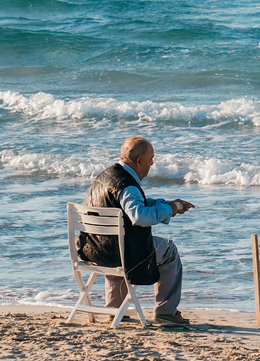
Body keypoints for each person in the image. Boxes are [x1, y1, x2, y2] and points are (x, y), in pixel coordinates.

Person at [77, 136, 195, 326]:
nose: (152, 163)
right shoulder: (128, 185)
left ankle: (115, 310)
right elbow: (139, 216)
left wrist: (167, 205)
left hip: (93, 249)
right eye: (151, 159)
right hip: (120, 253)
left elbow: (131, 206)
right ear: (139, 161)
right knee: (169, 250)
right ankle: (166, 311)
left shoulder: (105, 176)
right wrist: (170, 210)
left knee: (117, 241)